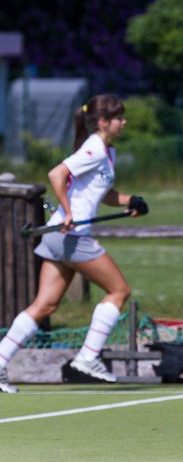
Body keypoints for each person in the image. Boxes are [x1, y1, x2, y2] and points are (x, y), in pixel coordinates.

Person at [0, 94, 148, 393]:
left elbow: (102, 192)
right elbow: (57, 174)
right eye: (119, 117)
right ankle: (88, 357)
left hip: (59, 236)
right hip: (71, 234)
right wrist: (68, 211)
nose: (124, 122)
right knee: (119, 291)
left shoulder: (108, 152)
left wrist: (129, 200)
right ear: (103, 122)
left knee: (45, 305)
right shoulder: (93, 147)